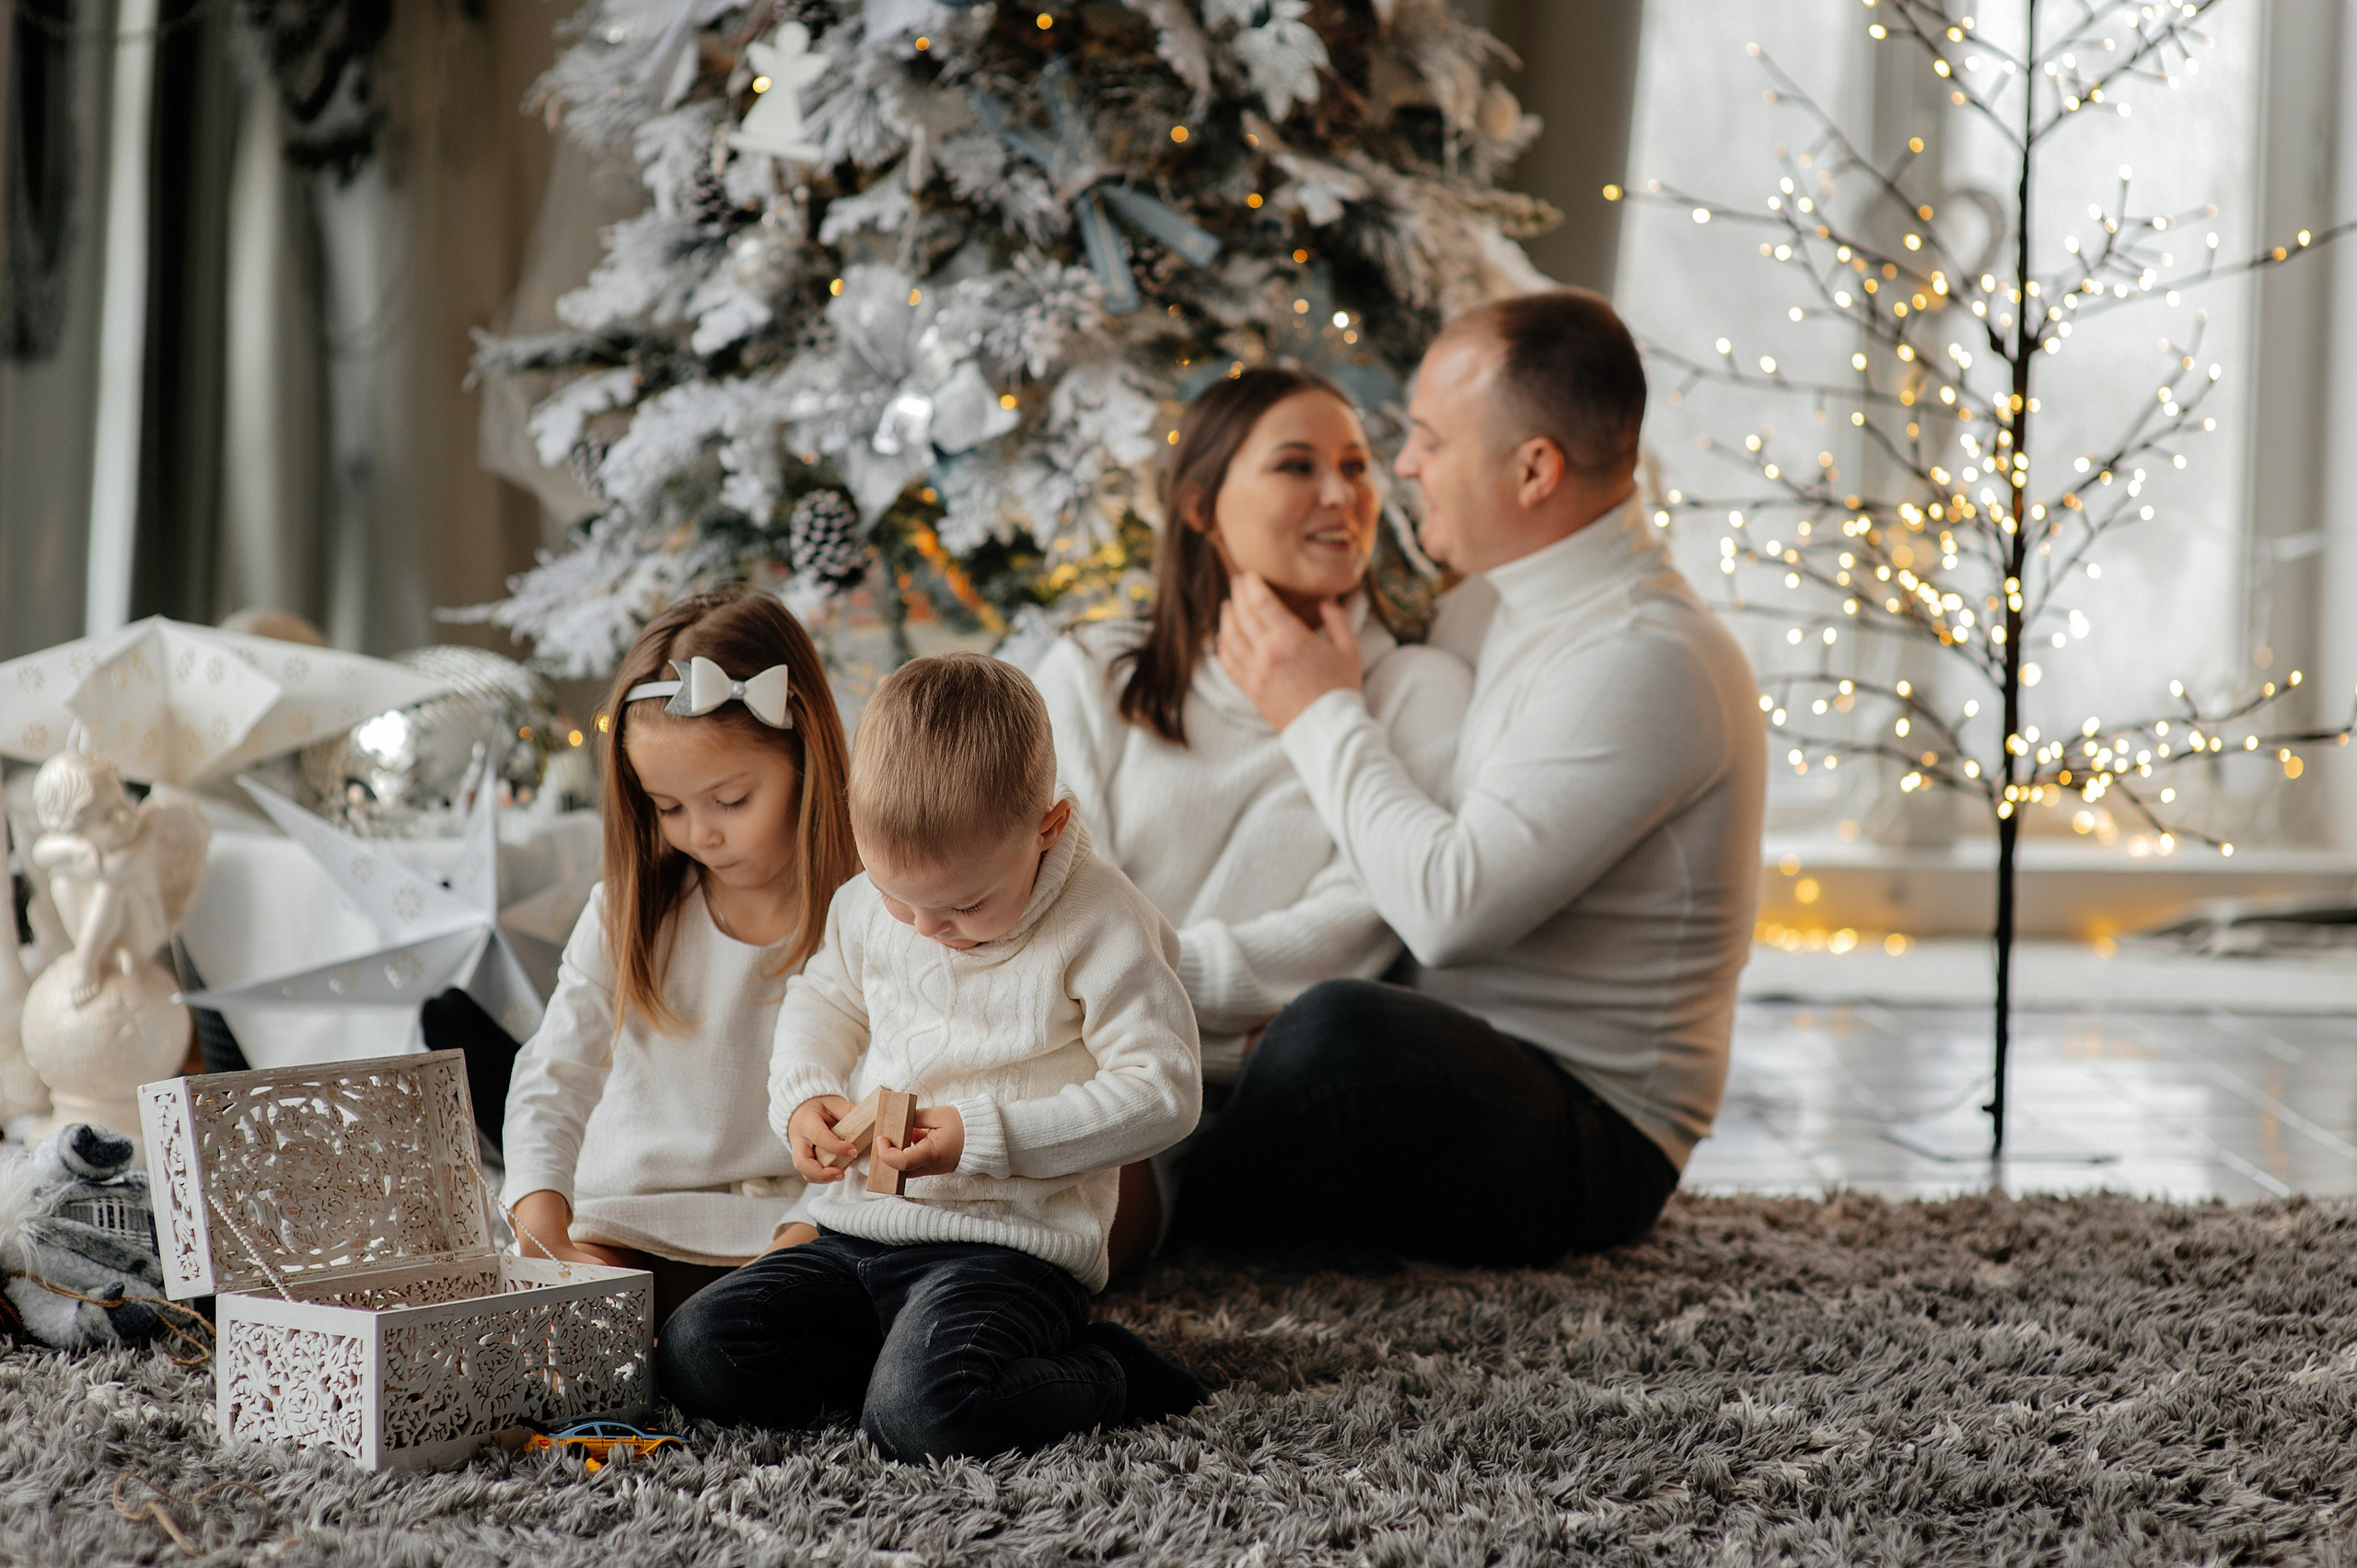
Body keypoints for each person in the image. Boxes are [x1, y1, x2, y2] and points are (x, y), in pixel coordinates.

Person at [1178, 287, 1768, 1266]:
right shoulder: (1481, 613)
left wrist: (1316, 705)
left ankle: (1162, 1216)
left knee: (1337, 1040)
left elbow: (1448, 910)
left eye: (1428, 439)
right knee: (1300, 1027)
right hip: (1451, 1049)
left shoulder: (1646, 656)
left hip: (1590, 1131)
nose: (1401, 467)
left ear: (1533, 468)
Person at [658, 654, 1206, 1463]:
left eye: (963, 906)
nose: (922, 929)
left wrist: (978, 1135)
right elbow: (825, 1000)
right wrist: (804, 1096)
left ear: (1046, 827)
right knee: (694, 1350)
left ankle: (1111, 1373)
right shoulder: (869, 907)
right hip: (856, 1234)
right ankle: (896, 1369)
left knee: (925, 1420)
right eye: (894, 895)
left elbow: (1165, 1092)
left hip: (1008, 1252)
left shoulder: (1105, 922)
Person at [1032, 366, 1470, 1268]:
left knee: (1033, 1226)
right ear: (1199, 508)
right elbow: (1042, 909)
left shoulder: (1417, 692)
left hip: (1238, 1114)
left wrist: (1131, 989)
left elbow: (1355, 926)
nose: (1341, 494)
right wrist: (1227, 1012)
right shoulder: (1089, 672)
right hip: (1067, 1067)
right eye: (1296, 466)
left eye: (1356, 465)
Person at [499, 590, 860, 1325]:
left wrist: (802, 1233)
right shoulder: (628, 910)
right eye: (668, 807)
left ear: (804, 756)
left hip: (798, 1231)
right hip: (631, 1222)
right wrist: (543, 1226)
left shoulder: (869, 917)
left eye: (731, 800)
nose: (701, 833)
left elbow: (889, 1099)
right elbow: (554, 1073)